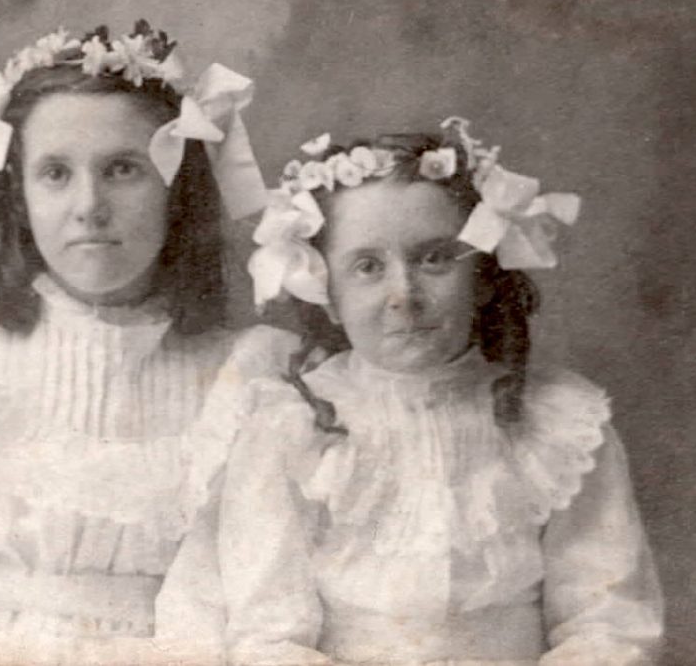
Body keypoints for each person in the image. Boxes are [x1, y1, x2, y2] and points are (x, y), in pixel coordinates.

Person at [0, 20, 295, 665]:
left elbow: (234, 604)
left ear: (176, 190)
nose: (89, 205)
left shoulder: (244, 372)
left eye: (123, 169)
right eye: (55, 174)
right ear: (17, 198)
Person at [218, 120, 664, 665]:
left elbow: (610, 623)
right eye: (367, 267)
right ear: (326, 295)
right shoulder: (290, 428)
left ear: (482, 276)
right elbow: (269, 637)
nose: (404, 294)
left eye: (434, 258)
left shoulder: (560, 422)